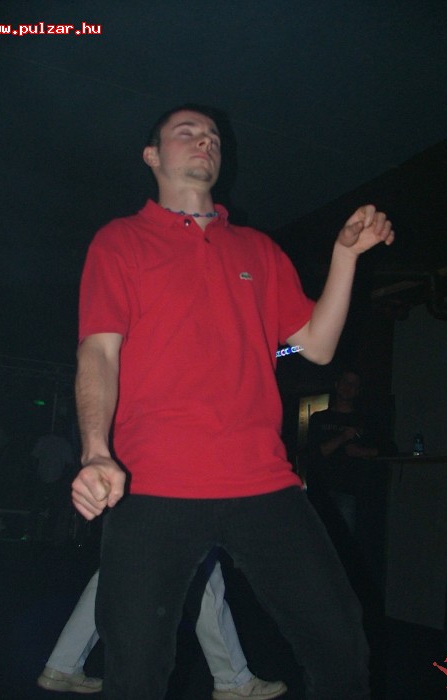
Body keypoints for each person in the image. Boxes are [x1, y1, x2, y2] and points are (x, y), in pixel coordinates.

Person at [71, 104, 394, 699]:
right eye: (187, 132)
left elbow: (318, 345)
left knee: (341, 644)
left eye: (214, 137)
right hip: (152, 483)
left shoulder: (258, 249)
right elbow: (99, 352)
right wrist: (95, 451)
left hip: (262, 482)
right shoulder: (120, 241)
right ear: (152, 155)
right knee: (135, 671)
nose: (205, 141)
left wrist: (346, 257)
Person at [37, 561, 287, 697]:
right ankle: (233, 678)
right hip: (171, 488)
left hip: (143, 488)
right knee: (202, 563)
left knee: (119, 567)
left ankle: (63, 664)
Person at [306, 369, 379, 536]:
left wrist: (362, 451)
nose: (348, 387)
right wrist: (343, 437)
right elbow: (314, 453)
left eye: (353, 384)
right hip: (320, 491)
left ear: (358, 390)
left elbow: (386, 448)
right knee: (318, 541)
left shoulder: (363, 420)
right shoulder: (319, 419)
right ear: (337, 385)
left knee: (344, 540)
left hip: (349, 491)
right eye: (346, 382)